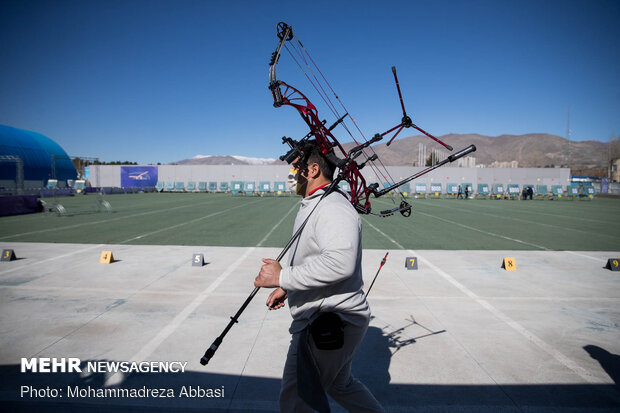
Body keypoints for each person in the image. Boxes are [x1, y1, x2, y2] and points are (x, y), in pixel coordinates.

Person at [254, 141, 385, 413]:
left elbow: (340, 263)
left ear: (312, 170)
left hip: (329, 321)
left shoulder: (332, 207)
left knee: (298, 401)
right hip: (329, 317)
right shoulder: (315, 203)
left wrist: (284, 277)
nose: (291, 174)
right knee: (341, 385)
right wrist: (289, 288)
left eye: (295, 167)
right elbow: (316, 258)